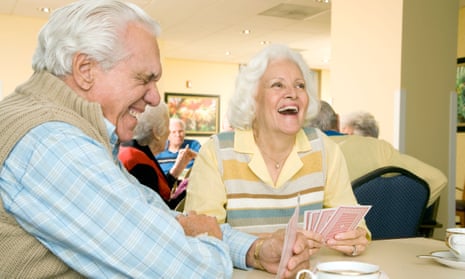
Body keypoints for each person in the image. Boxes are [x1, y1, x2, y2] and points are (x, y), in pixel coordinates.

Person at [0, 1, 312, 278]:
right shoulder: (52, 144)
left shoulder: (69, 131)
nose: (154, 97)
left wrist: (254, 251)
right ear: (85, 70)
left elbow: (156, 217)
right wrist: (208, 238)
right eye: (144, 78)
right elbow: (190, 271)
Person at [184, 44, 370, 257]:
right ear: (253, 98)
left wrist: (355, 238)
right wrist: (261, 251)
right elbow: (200, 238)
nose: (292, 93)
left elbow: (356, 226)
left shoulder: (324, 148)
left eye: (300, 86)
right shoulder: (216, 152)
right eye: (277, 85)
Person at [310, 100, 448, 207]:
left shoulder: (303, 153)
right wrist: (405, 213)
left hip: (333, 239)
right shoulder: (378, 148)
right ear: (338, 120)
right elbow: (437, 179)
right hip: (389, 238)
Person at [118, 102, 187, 209]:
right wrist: (189, 190)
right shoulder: (139, 164)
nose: (169, 132)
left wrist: (177, 170)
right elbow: (161, 209)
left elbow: (158, 189)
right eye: (167, 126)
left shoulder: (132, 150)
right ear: (156, 132)